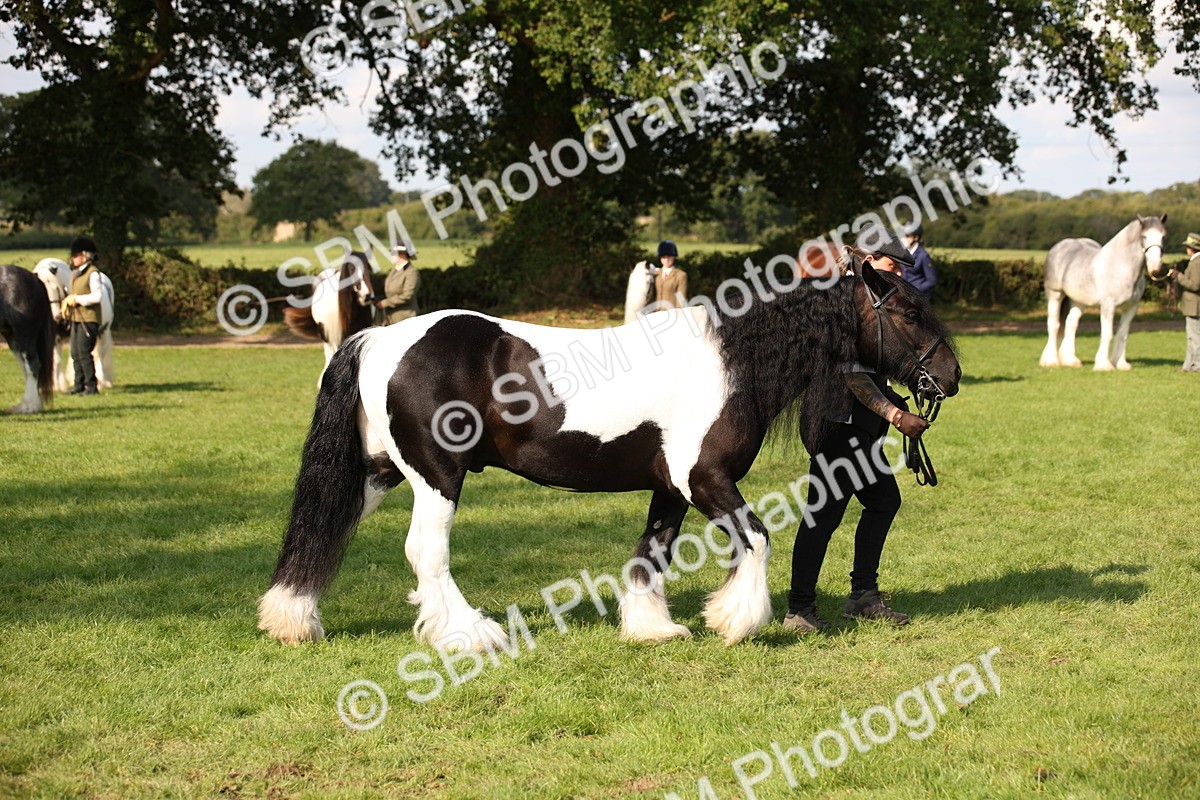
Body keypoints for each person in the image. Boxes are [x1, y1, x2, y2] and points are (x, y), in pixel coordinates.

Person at [784, 223, 931, 634]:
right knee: (824, 515)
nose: (900, 274)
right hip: (835, 422)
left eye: (903, 268)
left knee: (883, 502)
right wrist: (896, 415)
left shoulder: (874, 300)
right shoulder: (840, 300)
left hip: (860, 424)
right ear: (868, 262)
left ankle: (862, 596)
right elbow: (852, 376)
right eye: (892, 265)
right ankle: (799, 609)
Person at [59, 235, 104, 396]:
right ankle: (78, 385)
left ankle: (91, 386)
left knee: (84, 353)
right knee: (75, 353)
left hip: (89, 318)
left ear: (86, 255)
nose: (73, 258)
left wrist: (76, 299)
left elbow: (97, 296)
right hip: (77, 318)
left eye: (76, 255)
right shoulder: (75, 273)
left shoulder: (93, 274)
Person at [1174, 232, 1200, 372]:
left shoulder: (1197, 262)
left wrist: (1179, 277)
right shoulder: (1195, 261)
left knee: (1195, 337)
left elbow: (1195, 285)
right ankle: (1188, 365)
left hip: (1195, 306)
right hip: (1192, 306)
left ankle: (1197, 365)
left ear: (1192, 248)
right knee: (1191, 337)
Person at [378, 242, 420, 324]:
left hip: (405, 317)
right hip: (390, 317)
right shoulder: (394, 270)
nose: (391, 255)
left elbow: (407, 296)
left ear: (402, 254)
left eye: (393, 253)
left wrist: (385, 303)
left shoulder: (412, 272)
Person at [901, 221, 936, 301]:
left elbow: (931, 280)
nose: (903, 239)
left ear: (916, 237)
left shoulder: (923, 256)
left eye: (907, 236)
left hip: (919, 298)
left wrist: (914, 290)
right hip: (904, 296)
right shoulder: (902, 253)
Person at [654, 240, 688, 308]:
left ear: (674, 257)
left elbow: (681, 299)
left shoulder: (680, 275)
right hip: (654, 314)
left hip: (672, 314)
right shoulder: (655, 274)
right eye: (664, 257)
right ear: (660, 258)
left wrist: (678, 315)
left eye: (669, 256)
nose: (666, 259)